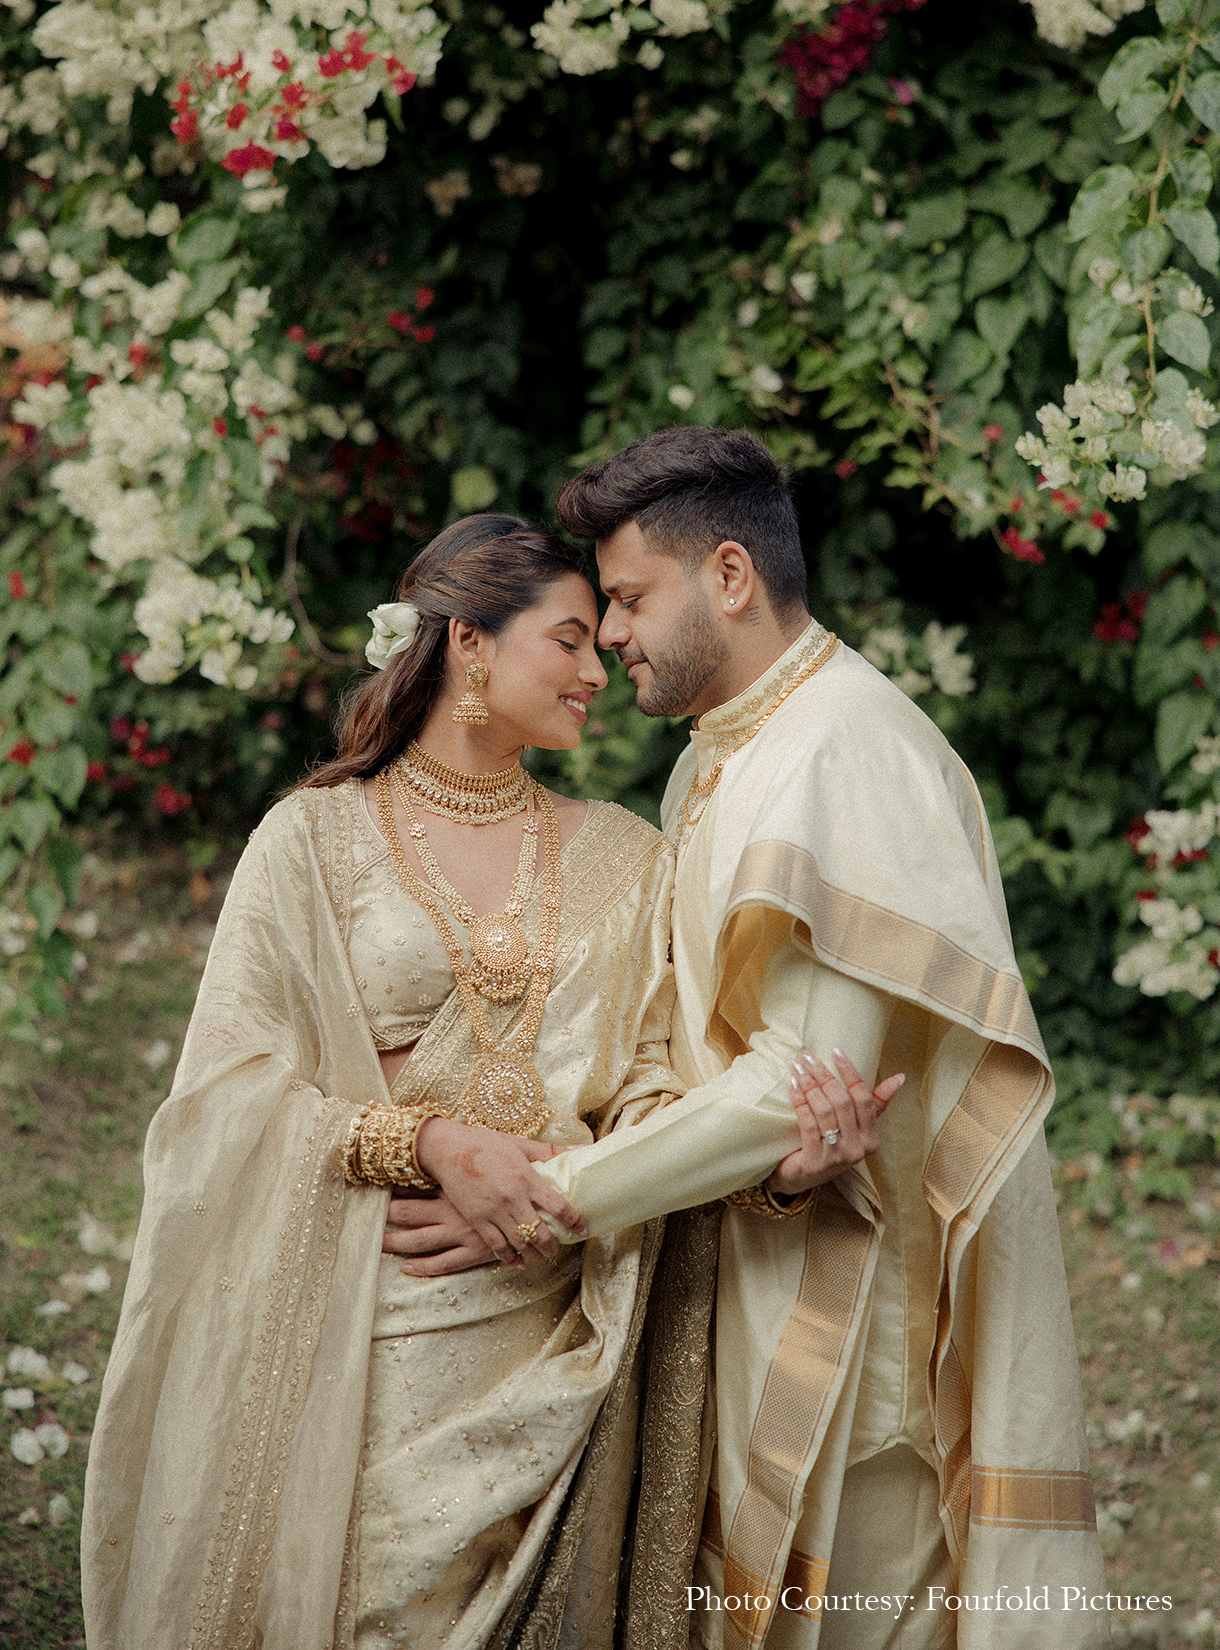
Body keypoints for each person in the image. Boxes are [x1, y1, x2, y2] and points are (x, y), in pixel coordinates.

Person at [80, 513, 889, 1650]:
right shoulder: (310, 841)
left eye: (600, 644)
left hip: (557, 1323)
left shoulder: (627, 854)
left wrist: (776, 1176)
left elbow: (658, 1086)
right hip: (365, 1317)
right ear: (468, 643)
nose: (597, 673)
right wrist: (426, 1146)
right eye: (567, 641)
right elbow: (225, 1093)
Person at [390, 434, 1106, 1649]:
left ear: (729, 575)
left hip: (856, 1332)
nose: (609, 636)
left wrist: (544, 1195)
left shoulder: (842, 752)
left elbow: (794, 1092)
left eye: (625, 598)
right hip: (755, 1263)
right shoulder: (727, 756)